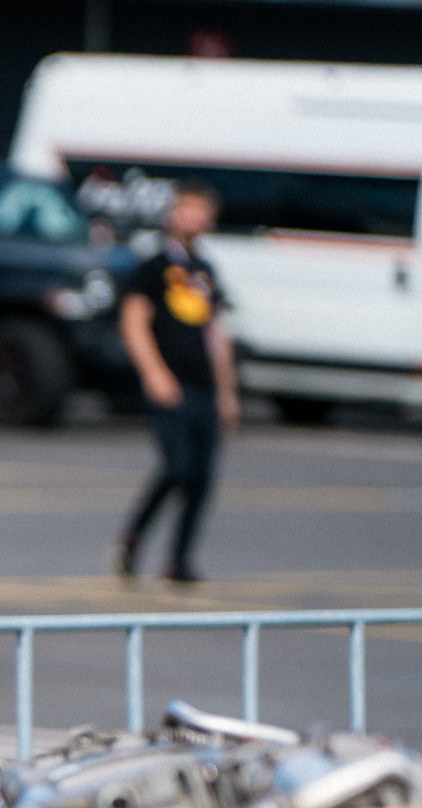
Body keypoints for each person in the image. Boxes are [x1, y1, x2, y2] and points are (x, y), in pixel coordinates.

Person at [111, 180, 239, 585]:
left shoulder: (204, 271)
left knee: (201, 477)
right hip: (171, 382)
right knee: (177, 467)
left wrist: (227, 391)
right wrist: (154, 373)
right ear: (172, 214)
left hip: (204, 384)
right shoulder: (153, 267)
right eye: (187, 208)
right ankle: (134, 535)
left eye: (201, 210)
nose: (194, 217)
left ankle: (180, 559)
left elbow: (215, 333)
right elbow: (134, 322)